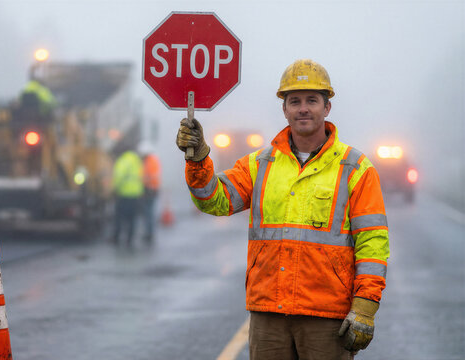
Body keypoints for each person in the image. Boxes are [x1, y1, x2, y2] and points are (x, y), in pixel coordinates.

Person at [176, 59, 389, 359]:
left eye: (312, 100)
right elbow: (214, 199)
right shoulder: (260, 164)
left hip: (326, 315)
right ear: (284, 108)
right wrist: (198, 160)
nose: (303, 108)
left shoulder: (356, 168)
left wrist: (366, 305)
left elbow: (373, 243)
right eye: (295, 101)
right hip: (268, 314)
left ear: (327, 107)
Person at [111, 147, 144, 247]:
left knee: (119, 217)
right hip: (136, 193)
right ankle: (130, 238)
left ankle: (117, 237)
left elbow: (119, 176)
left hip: (124, 193)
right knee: (132, 218)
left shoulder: (123, 161)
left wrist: (114, 188)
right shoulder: (137, 161)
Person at [139, 143, 161, 242]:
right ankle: (149, 232)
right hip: (152, 189)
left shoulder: (150, 161)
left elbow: (149, 175)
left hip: (149, 189)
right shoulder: (153, 160)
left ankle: (149, 233)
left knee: (148, 212)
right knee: (149, 212)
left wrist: (141, 179)